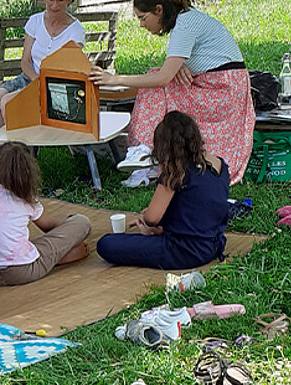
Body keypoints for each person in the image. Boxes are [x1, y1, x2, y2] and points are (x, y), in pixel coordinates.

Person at [89, 0, 254, 185]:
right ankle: (149, 155)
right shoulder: (188, 18)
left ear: (159, 10)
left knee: (155, 86)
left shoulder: (184, 24)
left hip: (222, 91)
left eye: (143, 17)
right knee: (159, 81)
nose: (141, 25)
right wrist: (181, 65)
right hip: (224, 86)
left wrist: (114, 80)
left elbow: (163, 78)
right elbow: (184, 64)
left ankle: (142, 151)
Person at [0, 142, 91, 287]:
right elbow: (47, 226)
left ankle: (53, 255)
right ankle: (58, 257)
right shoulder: (25, 198)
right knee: (82, 222)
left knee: (20, 246)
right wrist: (68, 232)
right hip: (22, 271)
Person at [96, 111, 229, 270]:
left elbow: (151, 218)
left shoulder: (177, 172)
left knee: (106, 244)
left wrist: (144, 220)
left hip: (183, 251)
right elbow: (197, 207)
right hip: (214, 244)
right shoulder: (219, 164)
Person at [0, 0, 85, 133]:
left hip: (55, 85)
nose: (54, 5)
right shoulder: (35, 21)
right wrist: (36, 80)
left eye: (60, 0)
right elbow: (25, 61)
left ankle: (20, 146)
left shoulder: (76, 30)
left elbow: (70, 66)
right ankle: (3, 146)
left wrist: (43, 84)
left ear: (69, 0)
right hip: (30, 77)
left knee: (8, 103)